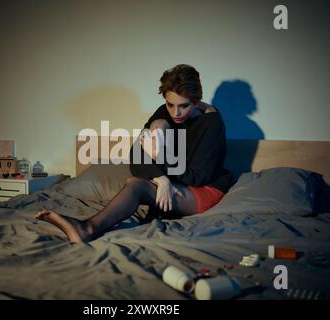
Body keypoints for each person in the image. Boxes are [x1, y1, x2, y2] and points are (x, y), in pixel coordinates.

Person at [35, 64, 235, 243]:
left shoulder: (212, 123)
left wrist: (159, 158)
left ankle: (87, 228)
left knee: (137, 185)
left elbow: (198, 177)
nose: (176, 113)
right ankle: (86, 228)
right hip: (175, 180)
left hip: (202, 189)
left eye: (184, 106)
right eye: (170, 105)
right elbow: (136, 159)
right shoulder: (164, 113)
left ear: (196, 100)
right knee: (156, 129)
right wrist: (161, 179)